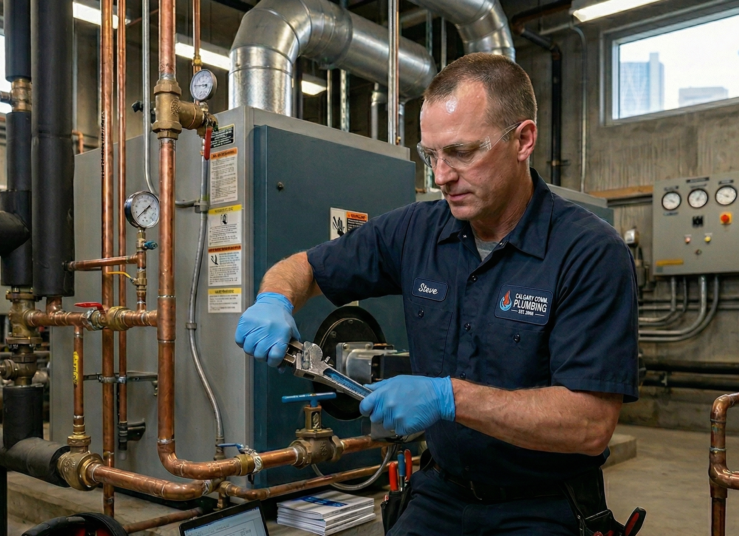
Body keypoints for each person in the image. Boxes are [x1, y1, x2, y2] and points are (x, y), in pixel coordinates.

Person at [235, 54, 639, 535]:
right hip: (442, 490)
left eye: (462, 152)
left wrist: (449, 398)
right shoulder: (416, 230)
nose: (441, 176)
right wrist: (275, 299)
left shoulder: (589, 252)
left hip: (543, 502)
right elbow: (301, 267)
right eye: (431, 155)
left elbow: (589, 426)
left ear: (523, 140)